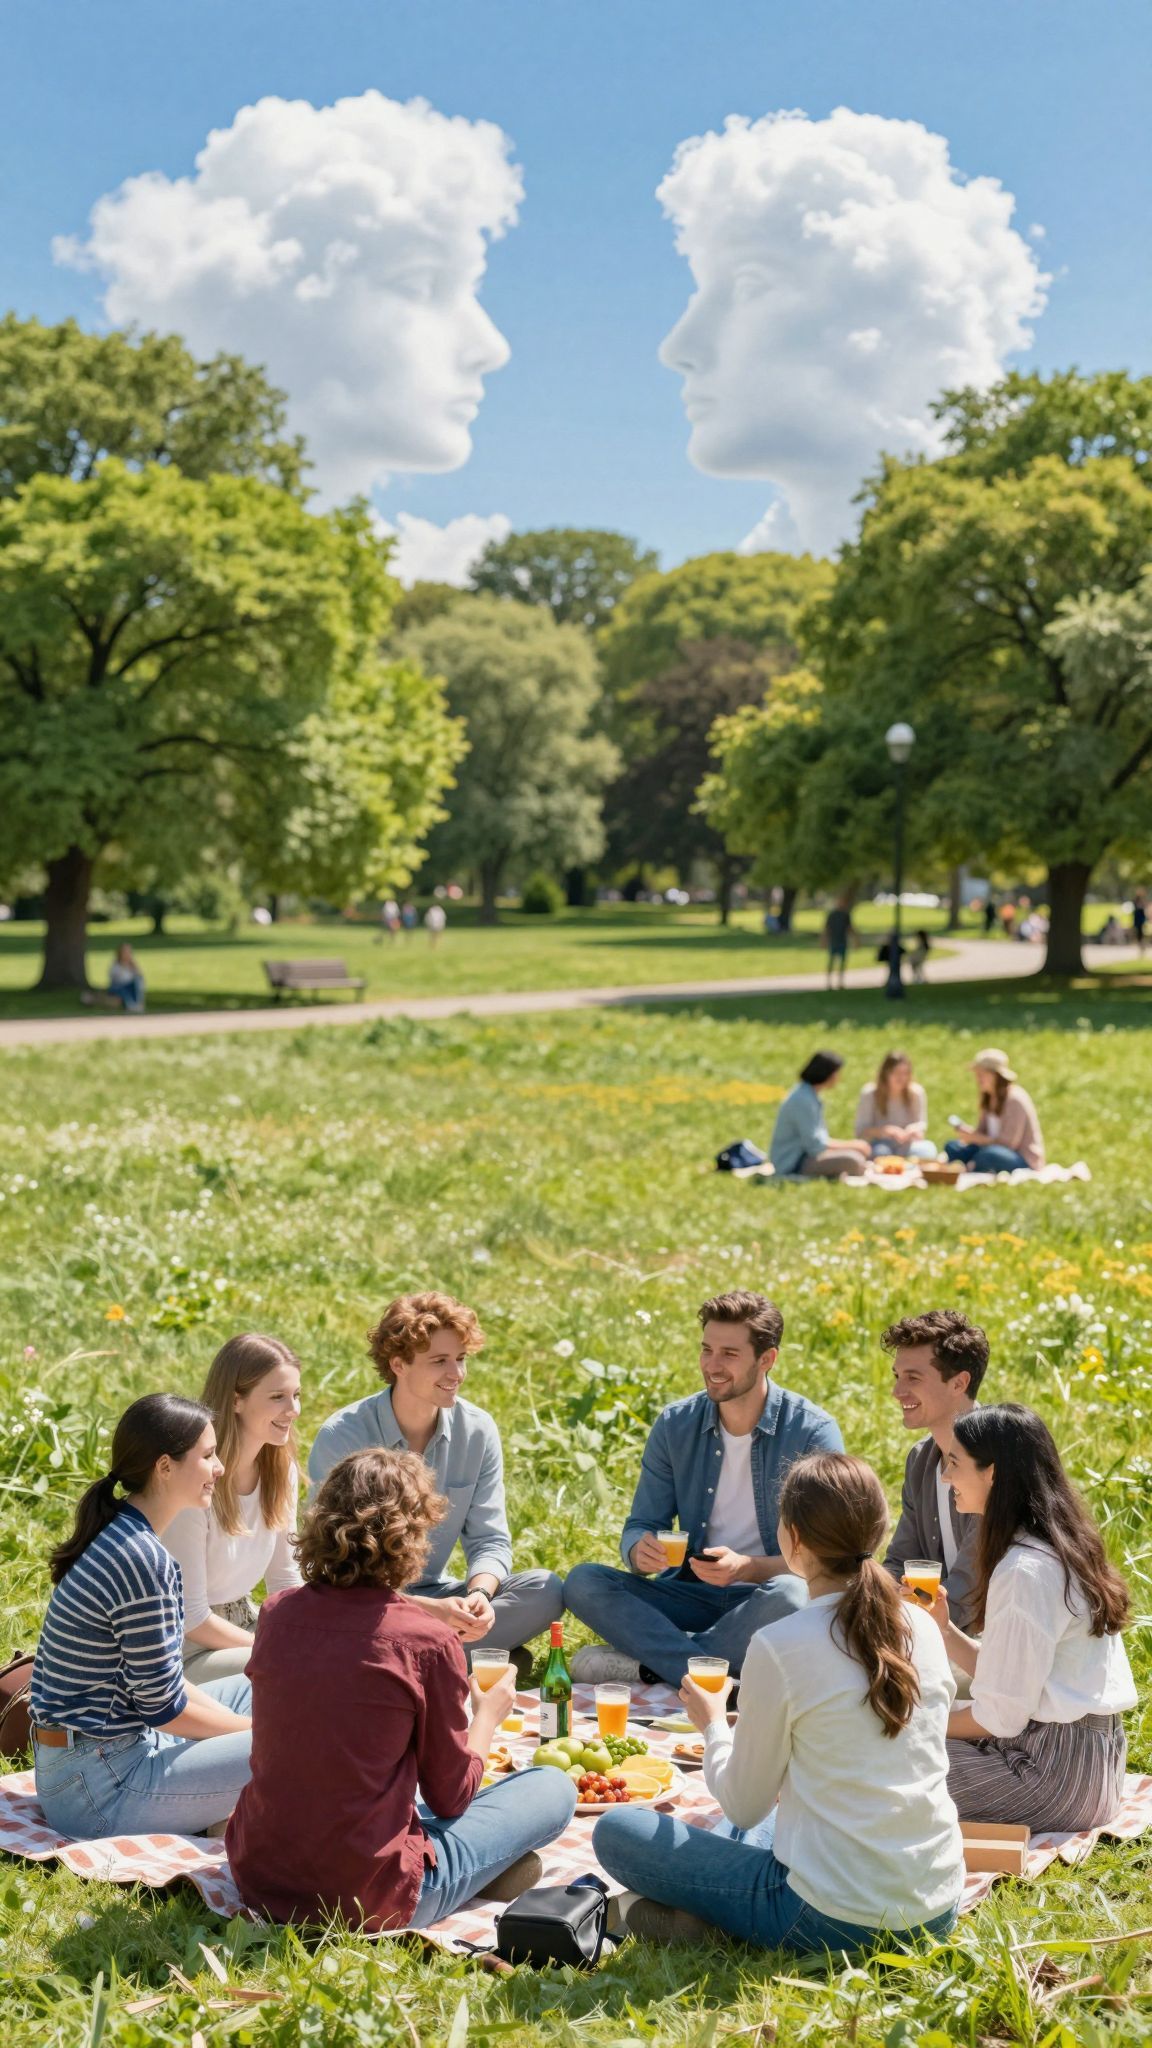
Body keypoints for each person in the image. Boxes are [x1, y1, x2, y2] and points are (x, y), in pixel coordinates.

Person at [595, 1452, 965, 1952]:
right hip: (936, 1907)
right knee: (775, 1811)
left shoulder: (781, 1644)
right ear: (876, 1532)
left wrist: (712, 1726)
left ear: (792, 1540)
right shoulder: (921, 1624)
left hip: (829, 1918)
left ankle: (706, 1913)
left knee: (618, 1829)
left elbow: (744, 1806)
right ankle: (703, 1907)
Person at [228, 1448, 576, 1929]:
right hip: (369, 1894)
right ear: (411, 1538)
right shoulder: (426, 1642)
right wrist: (487, 1717)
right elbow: (452, 1795)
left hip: (261, 1875)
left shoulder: (278, 1613)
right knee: (552, 1787)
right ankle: (477, 1871)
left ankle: (482, 1866)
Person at [564, 1291, 843, 1688]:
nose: (712, 1365)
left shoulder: (812, 1432)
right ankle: (715, 1669)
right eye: (706, 1349)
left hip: (766, 1598)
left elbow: (829, 1557)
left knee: (791, 1594)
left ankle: (658, 1664)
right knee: (583, 1581)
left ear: (767, 1359)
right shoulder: (675, 1424)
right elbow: (643, 1522)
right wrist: (639, 1550)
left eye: (729, 1354)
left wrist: (749, 1568)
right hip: (687, 1593)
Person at [28, 1394, 253, 1838]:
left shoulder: (125, 1533)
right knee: (298, 1746)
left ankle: (226, 1812)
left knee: (259, 1686)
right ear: (165, 1467)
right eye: (208, 1456)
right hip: (97, 1788)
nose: (220, 1467)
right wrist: (256, 1734)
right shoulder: (141, 1559)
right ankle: (232, 1817)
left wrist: (247, 1732)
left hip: (97, 1761)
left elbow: (162, 1683)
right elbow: (165, 1709)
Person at [308, 1293, 562, 1669]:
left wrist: (479, 1596)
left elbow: (490, 1539)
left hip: (439, 1592)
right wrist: (430, 1612)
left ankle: (415, 1658)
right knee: (337, 1614)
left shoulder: (478, 1431)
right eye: (439, 1361)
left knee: (545, 1589)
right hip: (363, 1600)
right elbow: (334, 1568)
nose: (456, 1374)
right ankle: (456, 1656)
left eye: (460, 1359)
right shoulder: (343, 1436)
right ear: (399, 1364)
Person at [930, 1406, 1136, 1831]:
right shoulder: (1055, 1546)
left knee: (884, 1759)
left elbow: (998, 1718)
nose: (946, 1477)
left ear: (993, 1473)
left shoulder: (1025, 1570)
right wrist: (942, 1627)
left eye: (954, 1462)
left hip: (1051, 1776)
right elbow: (1012, 1683)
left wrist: (916, 1725)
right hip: (1091, 1767)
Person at [163, 1335, 303, 1682]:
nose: (293, 1410)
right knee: (295, 1669)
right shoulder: (195, 1481)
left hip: (240, 1623)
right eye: (277, 1397)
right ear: (236, 1400)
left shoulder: (280, 1470)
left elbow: (284, 1578)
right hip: (185, 1648)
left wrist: (312, 1632)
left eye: (296, 1396)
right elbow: (192, 1616)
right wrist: (271, 1647)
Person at [880, 1311, 986, 1631]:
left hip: (984, 1644)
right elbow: (899, 1562)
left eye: (913, 1378)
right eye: (897, 1376)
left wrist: (898, 1630)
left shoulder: (994, 1463)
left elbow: (968, 1595)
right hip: (931, 1629)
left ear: (959, 1383)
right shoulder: (920, 1460)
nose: (897, 1392)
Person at [769, 1050, 871, 1180]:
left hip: (804, 1156)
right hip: (793, 1162)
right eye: (836, 1073)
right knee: (854, 1160)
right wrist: (852, 1145)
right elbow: (815, 1145)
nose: (838, 1078)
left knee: (855, 1155)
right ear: (827, 1074)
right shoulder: (802, 1100)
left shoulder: (808, 1095)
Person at [943, 1048, 1045, 1174]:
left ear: (996, 1075)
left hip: (1019, 1158)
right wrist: (970, 1135)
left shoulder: (1015, 1099)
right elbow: (982, 1132)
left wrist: (978, 1139)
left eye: (982, 1074)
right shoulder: (988, 1097)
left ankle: (972, 1165)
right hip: (990, 1147)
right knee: (953, 1147)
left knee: (989, 1155)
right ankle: (972, 1164)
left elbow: (1009, 1144)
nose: (978, 1079)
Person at [854, 1052, 935, 1161]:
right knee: (880, 1153)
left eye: (905, 1073)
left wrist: (913, 1129)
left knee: (928, 1151)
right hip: (880, 1143)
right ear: (885, 1074)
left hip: (908, 1144)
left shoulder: (916, 1092)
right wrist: (884, 1131)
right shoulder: (870, 1093)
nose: (901, 1078)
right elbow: (860, 1131)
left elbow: (921, 1123)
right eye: (896, 1073)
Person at [82, 943, 146, 1014]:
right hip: (118, 987)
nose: (127, 954)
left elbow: (139, 978)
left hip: (129, 987)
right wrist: (124, 967)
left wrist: (133, 968)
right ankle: (130, 1005)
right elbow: (118, 979)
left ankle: (137, 1003)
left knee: (138, 981)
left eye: (128, 952)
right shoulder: (116, 965)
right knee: (121, 993)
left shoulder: (132, 966)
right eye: (125, 952)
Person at [823, 897, 856, 991]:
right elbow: (826, 929)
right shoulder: (832, 915)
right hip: (833, 942)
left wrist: (855, 940)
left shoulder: (846, 915)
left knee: (842, 963)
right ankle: (829, 983)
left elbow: (850, 928)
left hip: (842, 941)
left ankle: (840, 982)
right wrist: (824, 941)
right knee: (831, 962)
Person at [1133, 888, 1148, 956]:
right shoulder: (1136, 901)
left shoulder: (1142, 902)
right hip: (1138, 920)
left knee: (1141, 933)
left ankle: (1142, 946)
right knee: (1139, 934)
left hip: (1141, 920)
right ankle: (1141, 946)